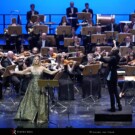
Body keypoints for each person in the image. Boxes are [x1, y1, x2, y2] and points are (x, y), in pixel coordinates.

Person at [10, 55, 59, 123]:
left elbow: (51, 72)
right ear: (33, 60)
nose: (36, 60)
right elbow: (22, 72)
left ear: (39, 60)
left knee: (39, 100)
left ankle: (39, 116)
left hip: (40, 86)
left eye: (37, 59)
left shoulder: (42, 68)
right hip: (32, 86)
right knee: (32, 101)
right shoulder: (31, 68)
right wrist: (14, 72)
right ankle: (30, 116)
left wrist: (58, 70)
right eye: (35, 59)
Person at [97, 47, 122, 112]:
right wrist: (104, 54)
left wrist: (100, 57)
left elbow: (106, 61)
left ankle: (113, 107)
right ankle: (119, 106)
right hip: (114, 74)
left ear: (114, 52)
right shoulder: (117, 56)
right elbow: (110, 56)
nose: (110, 51)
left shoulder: (113, 58)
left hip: (111, 75)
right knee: (115, 91)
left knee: (111, 92)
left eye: (112, 50)